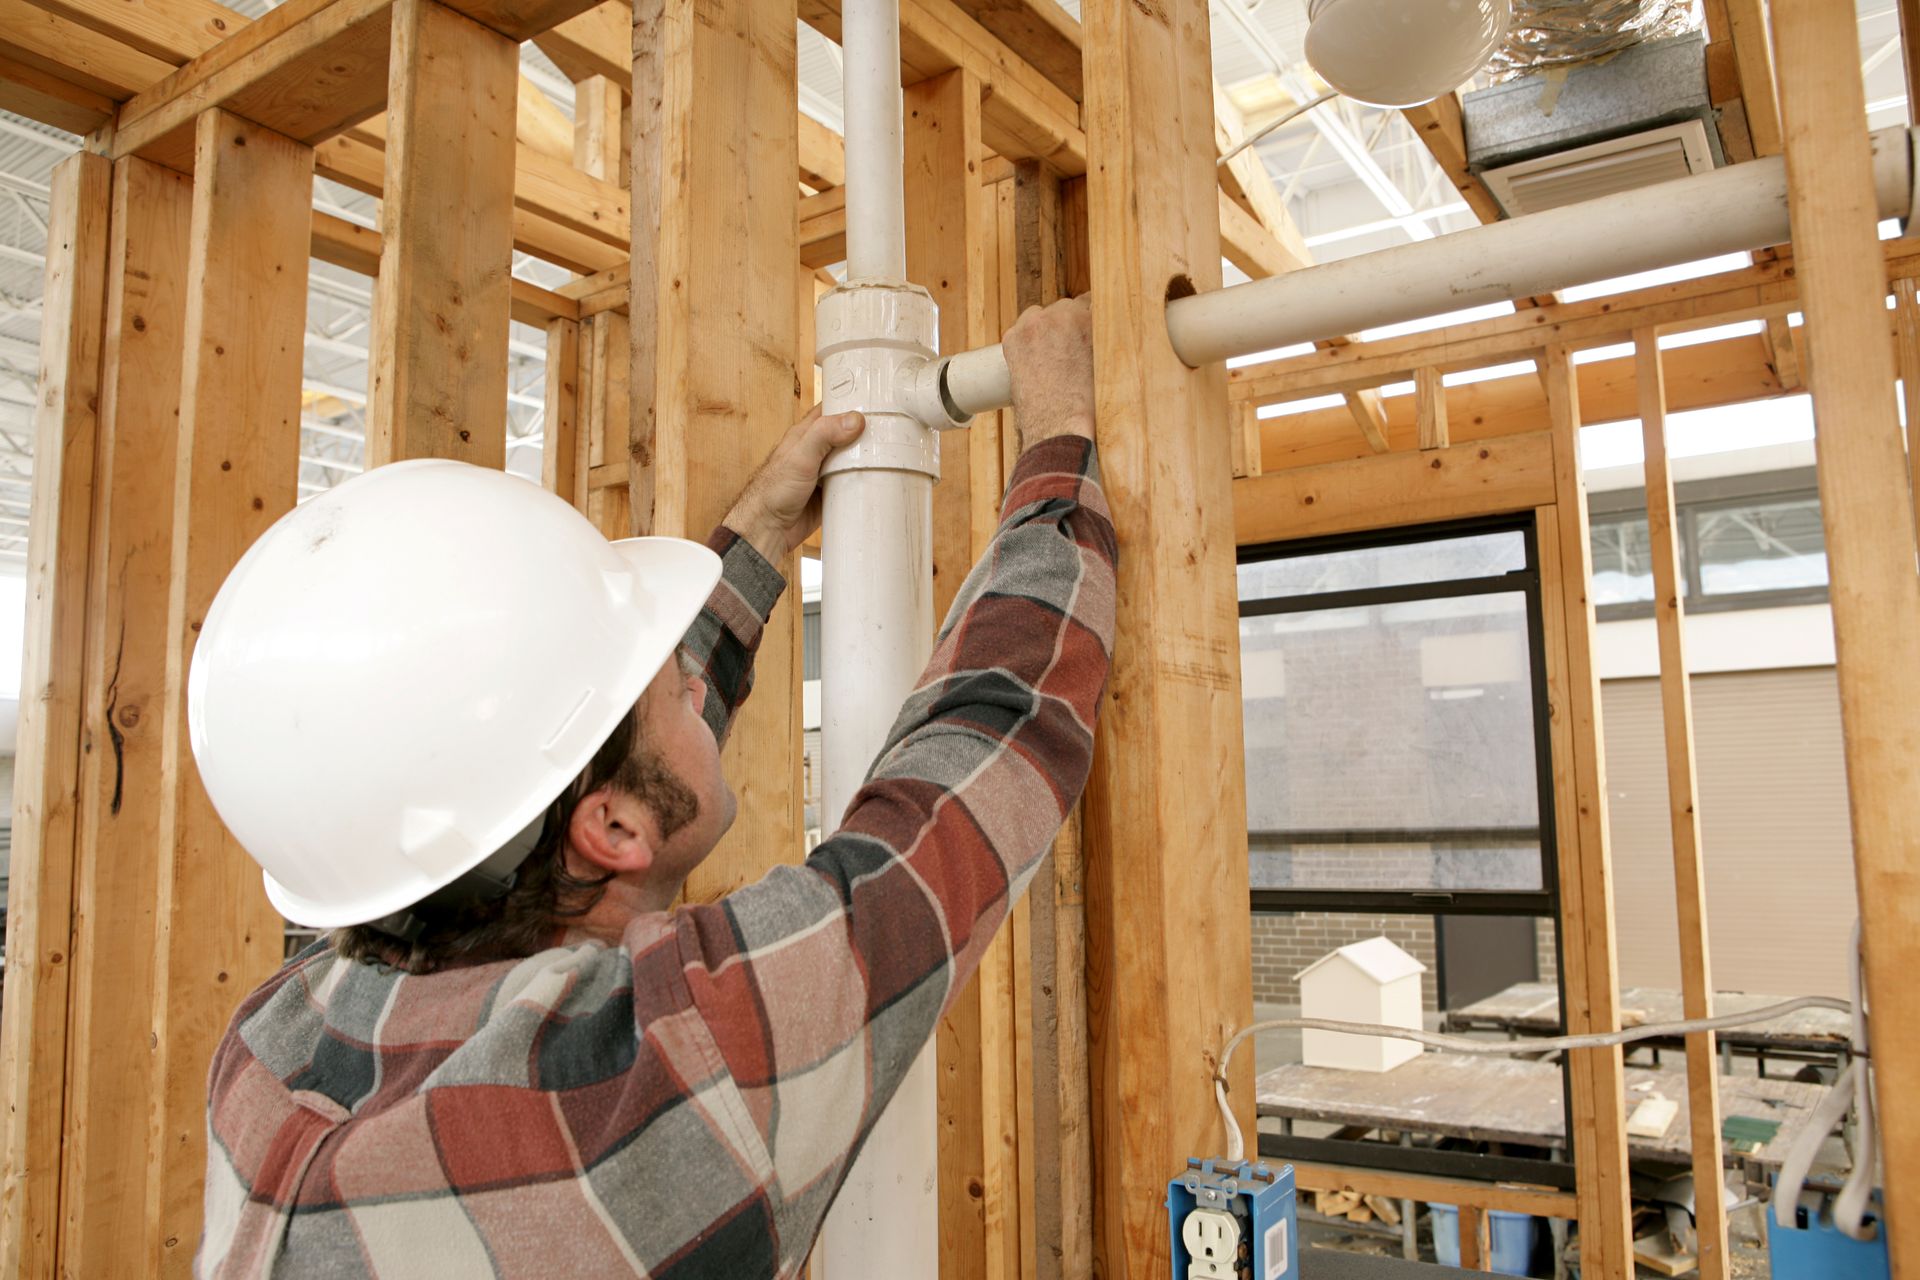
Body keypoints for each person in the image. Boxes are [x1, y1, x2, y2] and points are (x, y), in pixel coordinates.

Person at [190, 297, 1114, 1278]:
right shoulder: (645, 1073)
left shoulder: (271, 1042)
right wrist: (1061, 434)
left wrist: (757, 534)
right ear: (614, 826)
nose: (690, 674)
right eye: (662, 673)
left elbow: (581, 784)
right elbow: (984, 742)